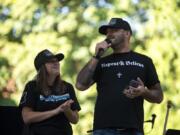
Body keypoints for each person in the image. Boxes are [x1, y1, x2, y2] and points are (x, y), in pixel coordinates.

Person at [75, 18, 163, 135]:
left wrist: (143, 92)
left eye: (114, 30)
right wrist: (96, 56)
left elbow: (159, 96)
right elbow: (80, 85)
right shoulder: (100, 62)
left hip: (133, 130)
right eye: (107, 32)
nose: (109, 34)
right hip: (103, 129)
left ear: (127, 33)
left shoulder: (144, 61)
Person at [19, 49, 81, 135]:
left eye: (57, 61)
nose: (56, 63)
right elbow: (26, 117)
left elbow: (75, 120)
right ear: (42, 67)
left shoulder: (67, 87)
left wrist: (67, 110)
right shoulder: (32, 86)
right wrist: (56, 111)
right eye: (51, 61)